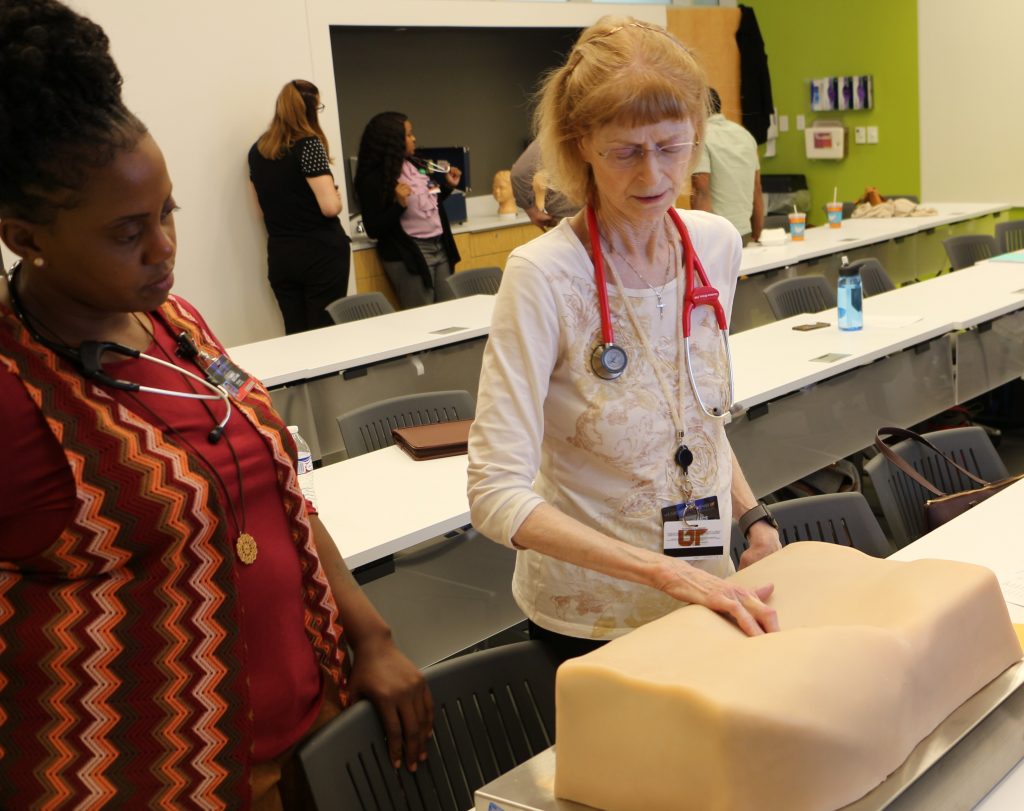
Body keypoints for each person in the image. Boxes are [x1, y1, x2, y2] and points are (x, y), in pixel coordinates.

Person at [0, 3, 431, 808]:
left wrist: (369, 633)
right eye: (127, 232)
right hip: (146, 779)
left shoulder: (177, 324)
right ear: (27, 236)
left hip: (311, 736)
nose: (164, 247)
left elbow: (279, 496)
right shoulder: (15, 393)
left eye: (167, 213)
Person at [467, 18, 782, 662]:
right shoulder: (543, 277)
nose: (653, 175)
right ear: (580, 144)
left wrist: (751, 518)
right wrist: (662, 571)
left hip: (709, 589)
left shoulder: (714, 246)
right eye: (625, 152)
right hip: (594, 619)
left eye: (672, 146)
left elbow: (693, 419)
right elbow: (494, 495)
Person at [249, 79, 351, 335]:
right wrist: (335, 196)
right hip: (320, 253)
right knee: (325, 334)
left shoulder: (257, 151)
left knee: (296, 335)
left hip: (282, 254)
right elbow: (329, 207)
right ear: (311, 109)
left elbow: (260, 210)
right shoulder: (309, 145)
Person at [354, 113, 462, 309]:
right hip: (411, 253)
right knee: (423, 318)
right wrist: (398, 205)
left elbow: (431, 201)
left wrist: (447, 186)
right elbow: (373, 229)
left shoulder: (416, 164)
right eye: (409, 134)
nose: (414, 138)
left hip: (440, 246)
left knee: (451, 311)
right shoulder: (373, 179)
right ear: (393, 141)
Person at [690, 88, 764, 245]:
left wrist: (700, 243)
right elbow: (757, 189)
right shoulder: (745, 135)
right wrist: (757, 234)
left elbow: (700, 191)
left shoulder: (701, 137)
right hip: (744, 233)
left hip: (718, 238)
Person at [510, 138, 579, 230]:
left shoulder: (558, 132)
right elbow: (519, 174)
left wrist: (532, 211)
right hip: (586, 218)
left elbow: (519, 173)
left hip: (568, 222)